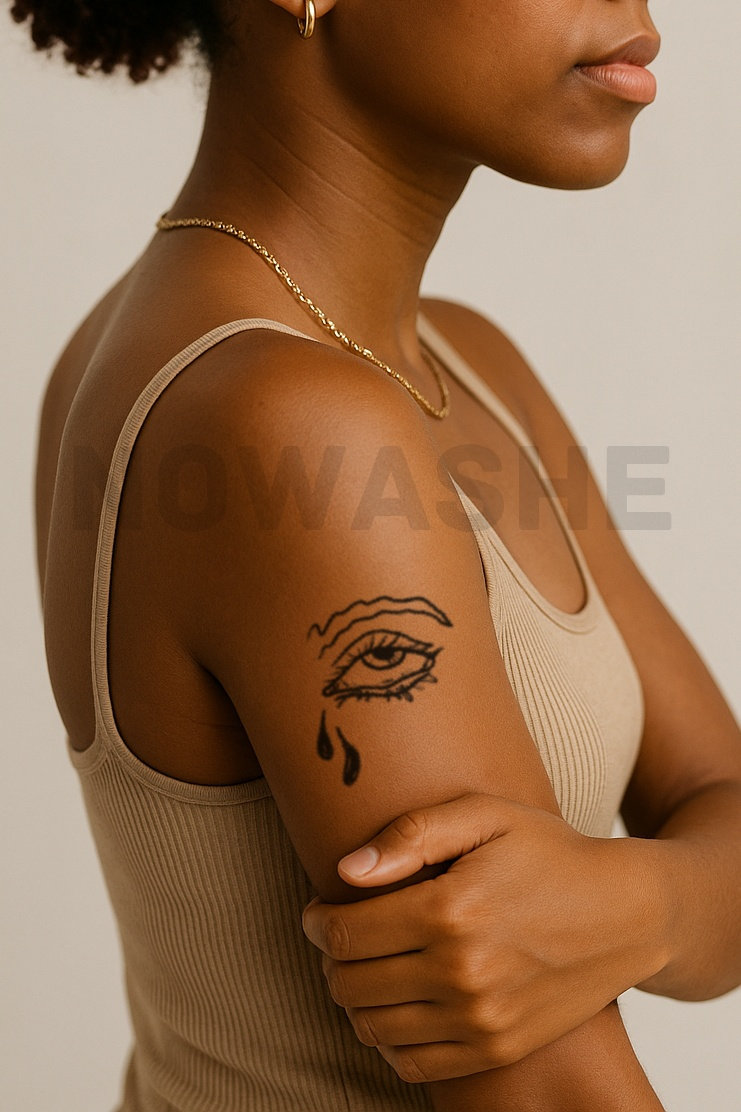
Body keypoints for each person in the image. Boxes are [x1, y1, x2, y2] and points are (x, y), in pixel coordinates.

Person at [25, 0, 741, 1109]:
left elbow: (717, 788)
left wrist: (638, 904)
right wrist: (673, 899)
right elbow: (558, 1090)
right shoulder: (283, 418)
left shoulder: (455, 362)